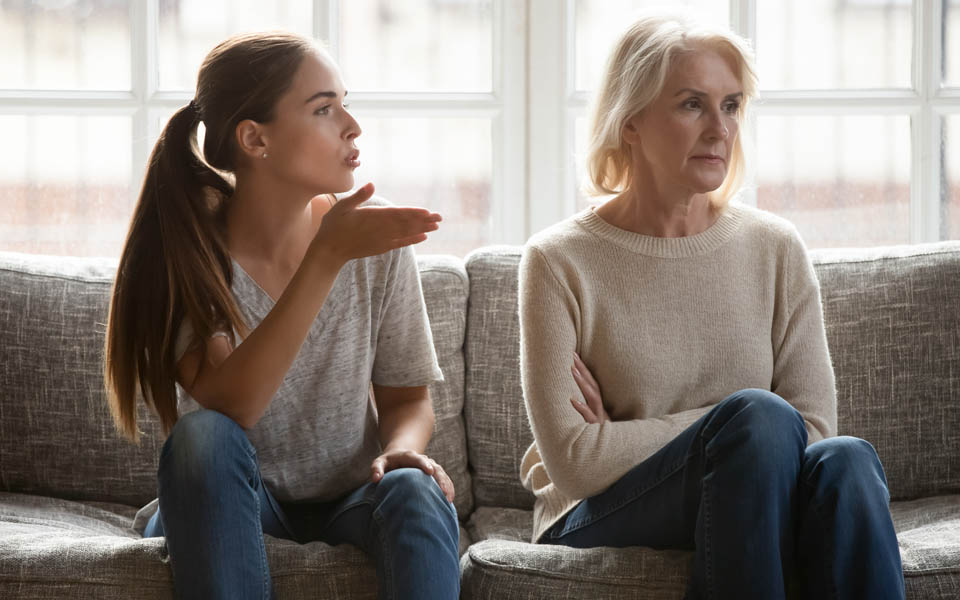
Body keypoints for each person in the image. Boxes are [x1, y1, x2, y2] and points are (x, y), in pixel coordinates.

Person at [518, 12, 905, 599]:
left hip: (753, 495)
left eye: (730, 106)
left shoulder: (774, 247)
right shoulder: (557, 261)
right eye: (692, 104)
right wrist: (730, 427)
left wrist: (641, 434)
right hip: (597, 513)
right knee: (760, 417)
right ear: (631, 122)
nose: (720, 129)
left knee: (847, 462)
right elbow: (574, 461)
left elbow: (817, 428)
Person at [103, 31, 460, 600]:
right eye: (324, 108)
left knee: (415, 488)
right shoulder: (190, 255)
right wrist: (326, 255)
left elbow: (408, 400)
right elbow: (232, 406)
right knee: (203, 438)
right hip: (232, 501)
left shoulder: (376, 240)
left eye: (346, 102)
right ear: (254, 139)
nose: (352, 126)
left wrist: (400, 449)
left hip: (352, 501)